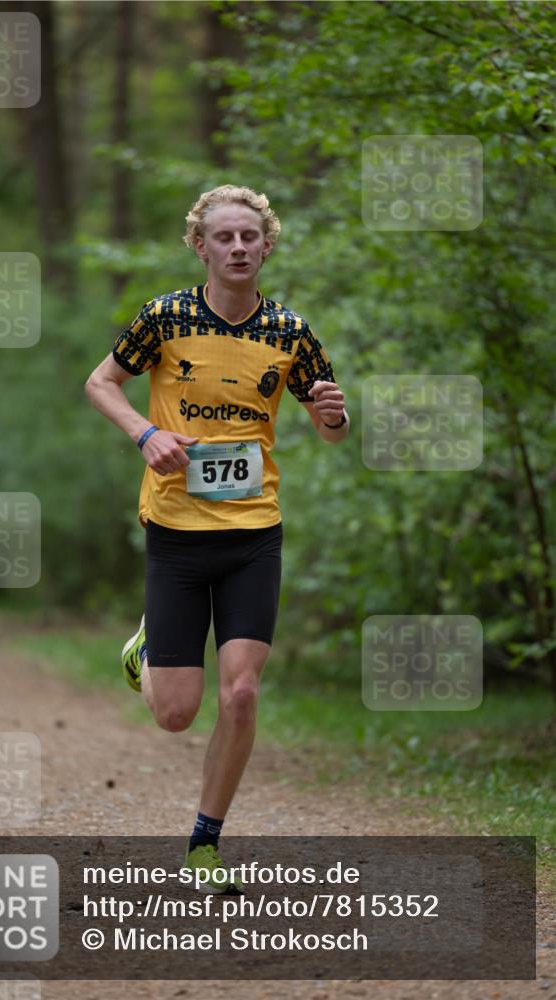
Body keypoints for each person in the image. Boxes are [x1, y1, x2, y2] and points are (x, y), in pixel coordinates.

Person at [85, 184, 349, 894]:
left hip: (254, 533)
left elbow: (329, 427)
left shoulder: (290, 332)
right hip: (176, 531)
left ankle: (204, 841)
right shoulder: (166, 318)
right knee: (176, 715)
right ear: (200, 247)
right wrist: (145, 433)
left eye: (249, 237)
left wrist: (332, 413)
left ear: (267, 246)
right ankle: (146, 649)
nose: (238, 248)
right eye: (224, 237)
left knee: (241, 694)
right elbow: (100, 383)